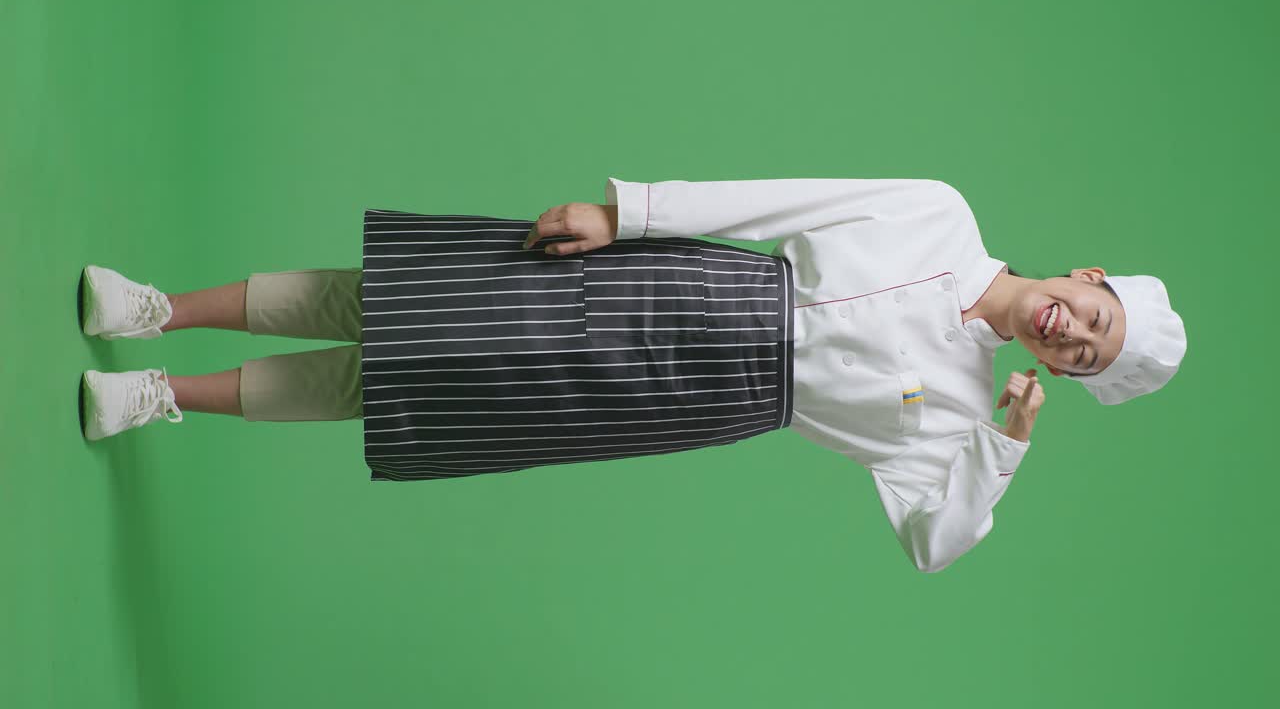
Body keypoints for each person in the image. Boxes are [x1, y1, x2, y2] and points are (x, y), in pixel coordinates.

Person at [78, 176, 1187, 573]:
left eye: (1084, 349)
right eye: (1090, 312)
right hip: (675, 287)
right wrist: (628, 215)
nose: (1070, 329)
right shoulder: (937, 215)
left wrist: (1002, 448)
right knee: (388, 300)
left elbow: (930, 545)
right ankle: (159, 311)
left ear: (1062, 367)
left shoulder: (950, 416)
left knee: (408, 385)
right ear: (1083, 276)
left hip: (682, 400)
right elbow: (778, 201)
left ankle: (162, 396)